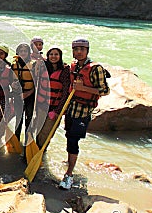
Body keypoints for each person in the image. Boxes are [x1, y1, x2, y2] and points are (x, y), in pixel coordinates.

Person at [59, 38, 110, 190]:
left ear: (87, 50)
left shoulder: (96, 68)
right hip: (71, 109)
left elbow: (105, 91)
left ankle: (69, 175)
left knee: (73, 141)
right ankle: (70, 161)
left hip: (83, 111)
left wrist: (84, 89)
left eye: (82, 49)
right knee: (69, 137)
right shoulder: (74, 66)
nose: (79, 51)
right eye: (76, 49)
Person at [36, 47, 70, 150]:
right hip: (42, 106)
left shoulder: (64, 71)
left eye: (56, 54)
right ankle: (34, 152)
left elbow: (65, 93)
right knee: (38, 131)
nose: (53, 56)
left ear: (60, 57)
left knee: (46, 134)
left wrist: (57, 111)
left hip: (54, 109)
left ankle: (41, 151)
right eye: (51, 54)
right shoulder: (44, 68)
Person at [11, 43, 36, 140]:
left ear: (29, 53)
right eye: (21, 51)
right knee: (19, 118)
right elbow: (10, 79)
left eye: (25, 51)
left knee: (29, 119)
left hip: (30, 96)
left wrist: (28, 93)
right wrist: (12, 85)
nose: (23, 53)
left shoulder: (34, 65)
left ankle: (28, 139)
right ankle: (16, 139)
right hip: (18, 95)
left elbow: (37, 84)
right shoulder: (13, 64)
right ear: (17, 52)